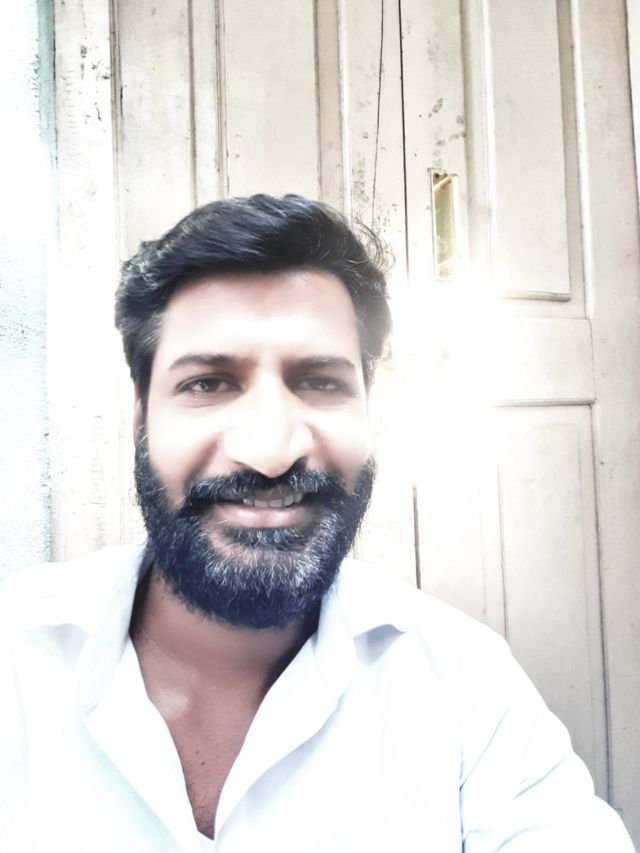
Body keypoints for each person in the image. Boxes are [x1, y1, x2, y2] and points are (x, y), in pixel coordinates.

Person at [0, 194, 634, 852]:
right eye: (208, 383)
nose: (270, 451)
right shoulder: (13, 655)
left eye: (321, 382)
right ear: (141, 416)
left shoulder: (463, 679)